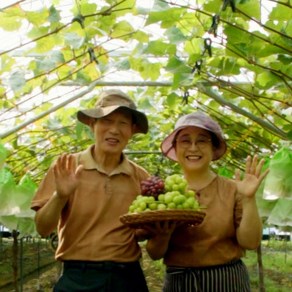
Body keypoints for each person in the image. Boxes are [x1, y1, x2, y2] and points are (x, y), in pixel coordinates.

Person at [31, 89, 150, 292]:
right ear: (92, 125)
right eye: (106, 121)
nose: (114, 130)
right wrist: (60, 196)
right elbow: (43, 228)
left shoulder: (141, 177)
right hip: (78, 278)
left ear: (132, 130)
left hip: (127, 278)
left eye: (122, 123)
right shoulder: (66, 167)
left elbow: (142, 233)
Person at [144, 112, 269, 292]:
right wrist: (163, 235)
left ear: (213, 149)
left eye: (202, 140)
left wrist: (249, 199)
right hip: (180, 284)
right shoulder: (163, 193)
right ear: (176, 148)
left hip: (227, 283)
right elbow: (154, 254)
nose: (193, 148)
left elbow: (250, 243)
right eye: (185, 141)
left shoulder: (234, 189)